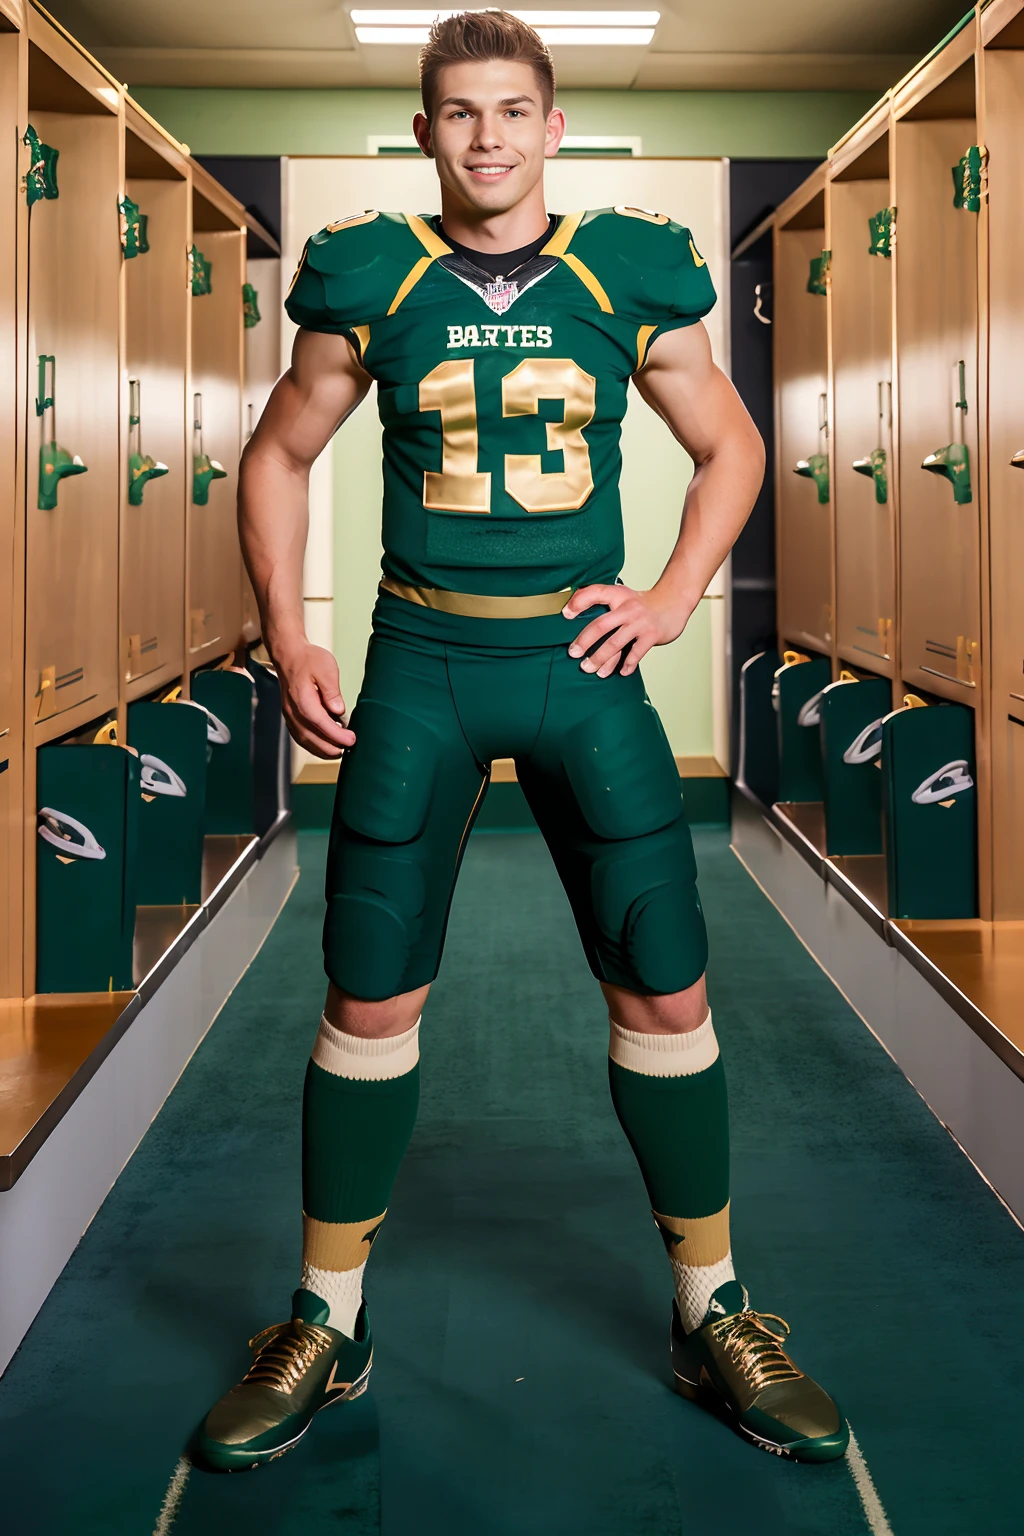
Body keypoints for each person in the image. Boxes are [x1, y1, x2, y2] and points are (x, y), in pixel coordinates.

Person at [197, 9, 848, 1472]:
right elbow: (281, 452)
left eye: (511, 110)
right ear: (424, 132)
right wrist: (290, 632)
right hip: (421, 659)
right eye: (458, 113)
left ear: (554, 127)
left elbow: (730, 439)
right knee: (367, 992)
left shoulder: (629, 268)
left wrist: (678, 592)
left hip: (578, 663)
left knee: (666, 985)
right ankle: (326, 1314)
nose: (486, 136)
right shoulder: (372, 272)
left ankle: (712, 1305)